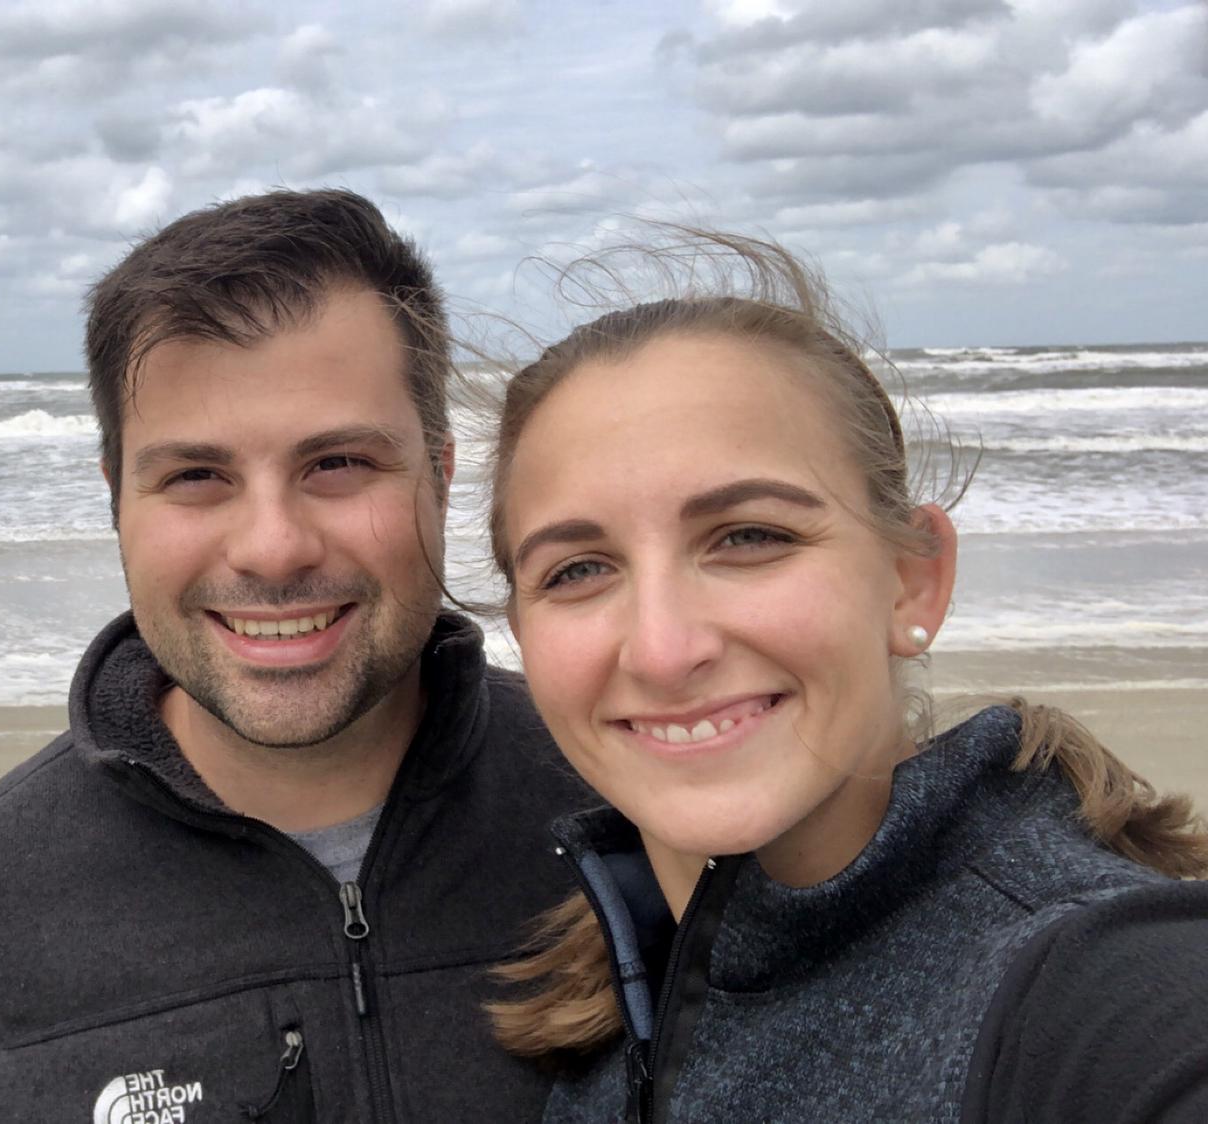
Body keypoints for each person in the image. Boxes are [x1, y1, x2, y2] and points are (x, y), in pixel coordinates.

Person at [0, 189, 592, 1122]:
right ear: (116, 497)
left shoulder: (624, 811)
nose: (273, 548)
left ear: (441, 478)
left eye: (337, 464)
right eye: (196, 476)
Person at [482, 230, 1208, 1122]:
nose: (663, 650)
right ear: (521, 632)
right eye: (578, 570)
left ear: (914, 577)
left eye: (750, 537)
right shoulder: (609, 998)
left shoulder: (1091, 988)